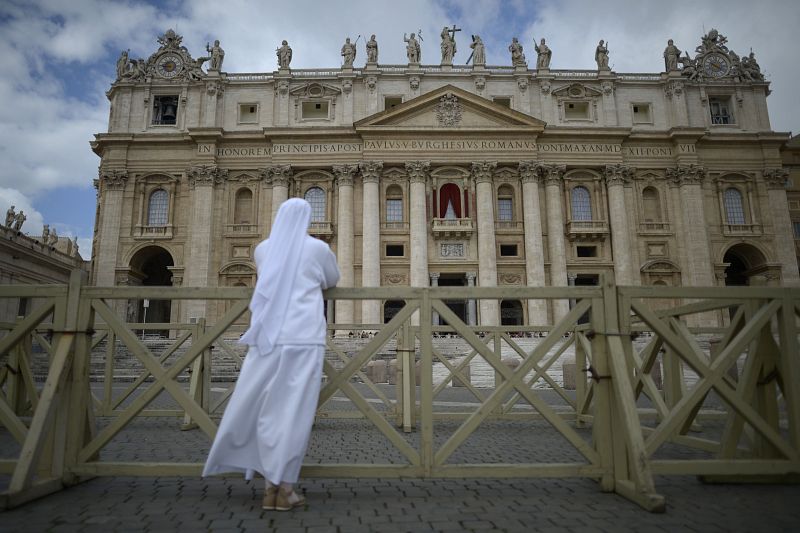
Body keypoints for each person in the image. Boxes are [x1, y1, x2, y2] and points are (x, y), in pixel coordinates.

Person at [204, 198, 340, 512]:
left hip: (266, 339)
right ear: (308, 217)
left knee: (263, 411)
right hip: (304, 338)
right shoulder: (317, 248)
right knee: (294, 414)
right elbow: (333, 279)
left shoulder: (263, 249)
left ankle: (269, 488)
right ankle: (286, 489)